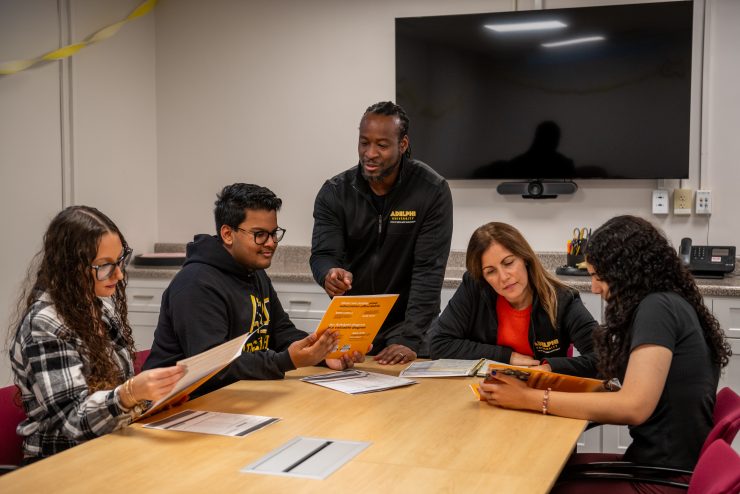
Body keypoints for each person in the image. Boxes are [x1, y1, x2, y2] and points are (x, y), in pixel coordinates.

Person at [479, 215, 731, 492]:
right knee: (548, 467)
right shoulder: (668, 301)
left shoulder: (657, 308)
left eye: (598, 276)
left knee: (534, 479)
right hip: (662, 468)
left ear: (627, 270)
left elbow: (634, 406)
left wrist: (529, 398)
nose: (595, 287)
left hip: (661, 480)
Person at [144, 183, 363, 396]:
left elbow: (282, 332)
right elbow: (212, 367)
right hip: (177, 408)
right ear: (228, 234)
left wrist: (323, 354)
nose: (271, 243)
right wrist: (288, 361)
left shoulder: (255, 272)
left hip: (234, 397)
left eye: (274, 233)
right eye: (260, 234)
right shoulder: (195, 284)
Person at [9, 206, 185, 462]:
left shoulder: (99, 306)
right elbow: (73, 421)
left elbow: (114, 396)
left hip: (108, 445)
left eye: (120, 260)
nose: (119, 274)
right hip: (60, 462)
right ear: (69, 267)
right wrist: (131, 394)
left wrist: (158, 398)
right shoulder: (44, 324)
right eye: (104, 266)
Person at [310, 101, 453, 364]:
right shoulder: (335, 192)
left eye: (382, 145)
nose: (370, 153)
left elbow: (428, 271)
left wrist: (409, 340)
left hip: (410, 325)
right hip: (355, 322)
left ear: (403, 144)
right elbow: (323, 255)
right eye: (364, 143)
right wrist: (329, 274)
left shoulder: (431, 190)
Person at [429, 222, 598, 376]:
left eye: (508, 263)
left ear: (524, 257)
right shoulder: (475, 287)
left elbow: (604, 358)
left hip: (539, 395)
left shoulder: (562, 299)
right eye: (490, 271)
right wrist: (507, 357)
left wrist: (549, 368)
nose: (503, 277)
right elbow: (439, 343)